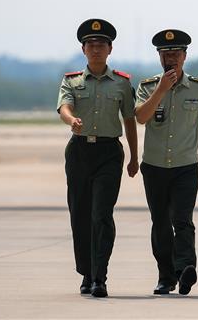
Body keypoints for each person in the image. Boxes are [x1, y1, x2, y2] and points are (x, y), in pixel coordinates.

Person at [134, 28, 198, 296]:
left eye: (175, 53)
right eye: (165, 54)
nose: (170, 58)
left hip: (186, 167)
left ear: (185, 56)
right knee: (160, 222)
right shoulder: (147, 87)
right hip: (154, 167)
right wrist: (161, 90)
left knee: (183, 219)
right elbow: (141, 117)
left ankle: (186, 268)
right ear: (159, 58)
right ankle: (166, 276)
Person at [56, 18, 139, 298]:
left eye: (101, 45)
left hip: (108, 153)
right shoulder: (72, 81)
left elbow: (129, 120)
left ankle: (100, 276)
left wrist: (134, 157)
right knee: (80, 215)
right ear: (83, 49)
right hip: (79, 152)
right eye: (91, 45)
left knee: (101, 215)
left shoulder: (122, 83)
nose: (96, 49)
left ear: (110, 49)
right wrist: (71, 120)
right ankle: (87, 273)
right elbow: (64, 107)